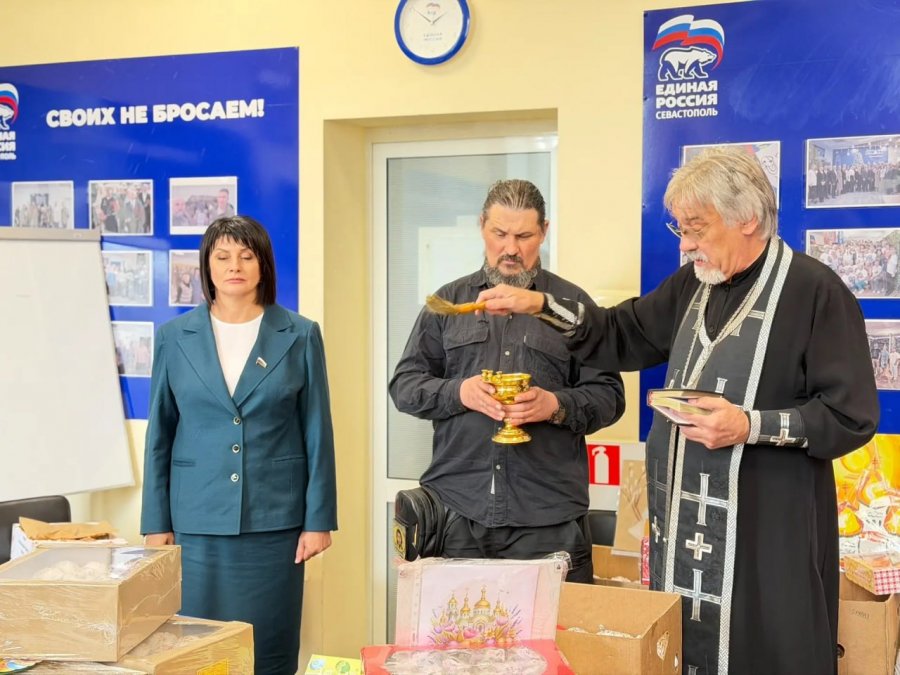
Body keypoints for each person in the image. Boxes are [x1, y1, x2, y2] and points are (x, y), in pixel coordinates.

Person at [477, 149, 879, 675]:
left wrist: (748, 425)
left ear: (747, 219)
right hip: (687, 533)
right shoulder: (694, 285)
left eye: (696, 228)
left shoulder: (815, 292)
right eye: (680, 229)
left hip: (767, 536)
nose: (685, 244)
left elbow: (851, 415)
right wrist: (542, 305)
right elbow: (620, 334)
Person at [389, 179, 625, 583]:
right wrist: (459, 392)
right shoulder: (447, 304)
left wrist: (555, 406)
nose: (510, 249)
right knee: (460, 628)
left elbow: (609, 396)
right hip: (458, 513)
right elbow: (405, 387)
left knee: (558, 627)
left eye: (524, 236)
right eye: (499, 233)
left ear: (544, 231)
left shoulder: (572, 307)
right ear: (482, 226)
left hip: (548, 517)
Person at [141, 215, 337, 675]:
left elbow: (317, 430)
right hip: (195, 523)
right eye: (223, 256)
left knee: (266, 647)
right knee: (193, 650)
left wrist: (319, 521)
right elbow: (160, 435)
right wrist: (155, 523)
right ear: (206, 267)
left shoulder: (300, 334)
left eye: (247, 256)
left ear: (263, 265)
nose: (235, 266)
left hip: (274, 524)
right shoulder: (174, 337)